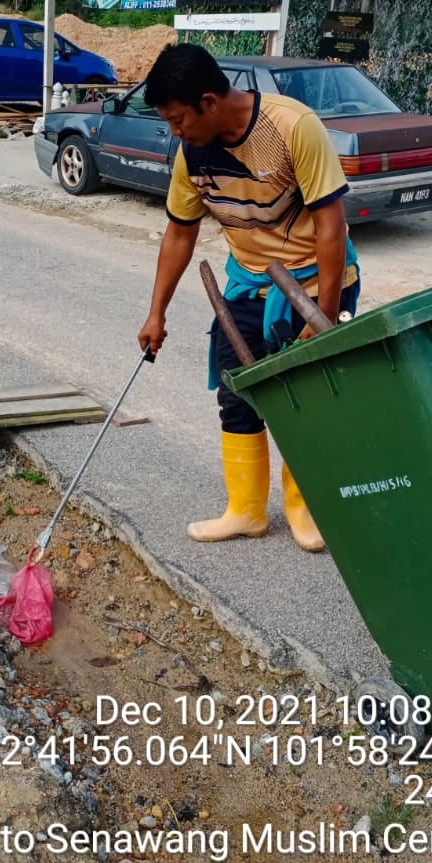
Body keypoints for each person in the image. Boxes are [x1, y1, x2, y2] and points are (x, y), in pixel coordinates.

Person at [137, 43, 360, 552]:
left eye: (178, 119)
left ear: (210, 102)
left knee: (311, 399)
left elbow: (331, 225)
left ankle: (307, 512)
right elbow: (178, 233)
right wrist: (156, 314)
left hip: (316, 283)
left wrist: (323, 313)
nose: (174, 131)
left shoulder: (292, 127)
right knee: (237, 394)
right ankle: (246, 511)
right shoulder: (192, 151)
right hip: (247, 284)